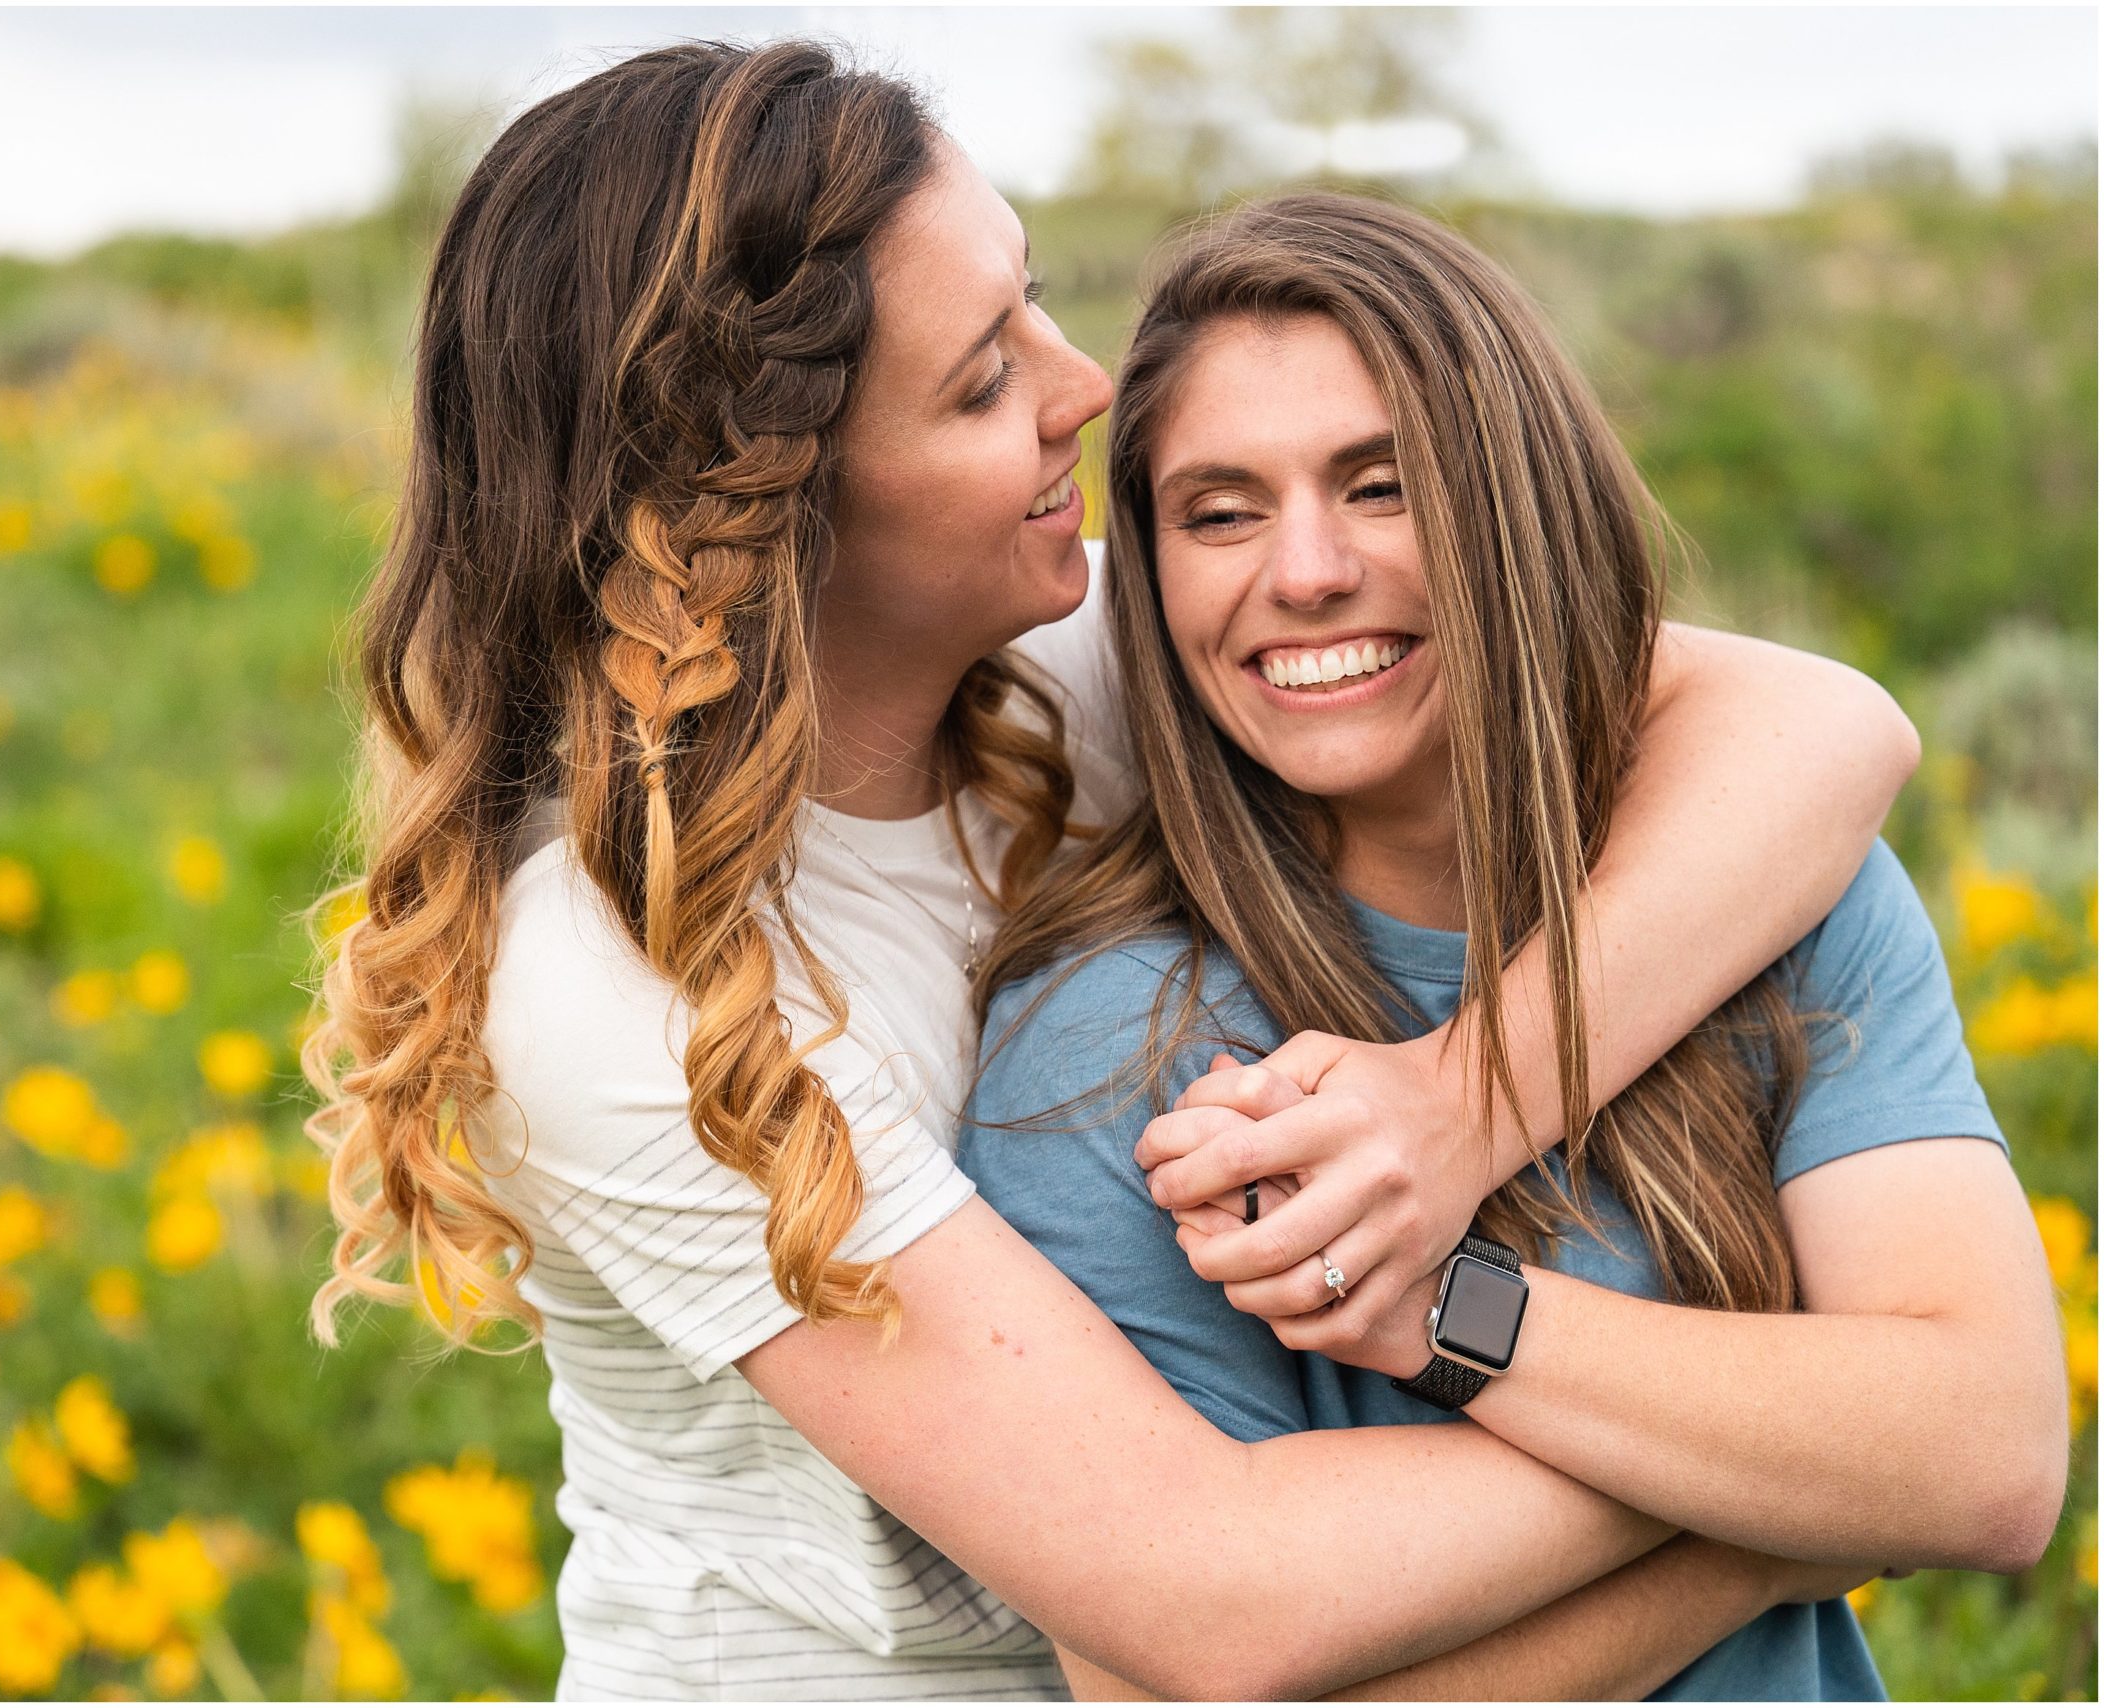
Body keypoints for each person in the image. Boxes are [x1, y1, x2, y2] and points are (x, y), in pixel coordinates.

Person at [299, 40, 1932, 1700]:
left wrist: (1459, 1107)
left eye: (1036, 303)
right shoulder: (605, 978)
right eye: (983, 383)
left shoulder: (1073, 652)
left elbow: (1821, 729)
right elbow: (1209, 1593)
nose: (1084, 387)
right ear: (776, 511)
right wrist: (1801, 1489)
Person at [957, 190, 2067, 1700]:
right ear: (1147, 573)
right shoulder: (1108, 1050)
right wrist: (1784, 1508)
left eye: (1383, 485)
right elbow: (1185, 1667)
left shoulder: (1780, 898)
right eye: (1219, 510)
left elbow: (1989, 1453)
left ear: (1515, 505)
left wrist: (1451, 1312)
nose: (1303, 572)